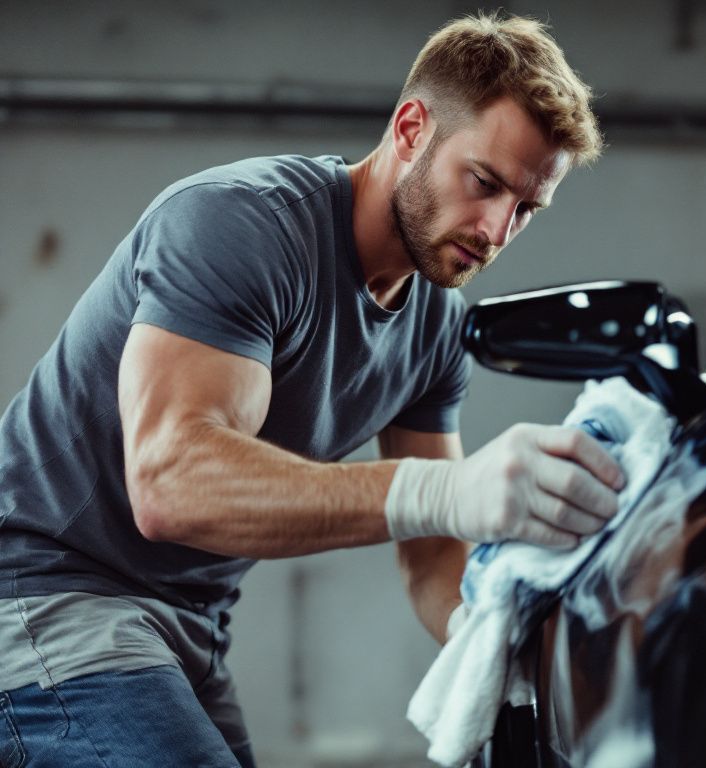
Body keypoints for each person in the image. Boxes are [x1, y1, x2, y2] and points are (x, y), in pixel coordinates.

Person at [0, 12, 622, 767]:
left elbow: (433, 558)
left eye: (526, 208)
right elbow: (170, 483)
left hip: (191, 629)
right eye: (484, 182)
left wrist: (508, 651)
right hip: (43, 595)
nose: (496, 230)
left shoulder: (433, 329)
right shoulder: (242, 225)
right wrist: (448, 487)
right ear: (411, 128)